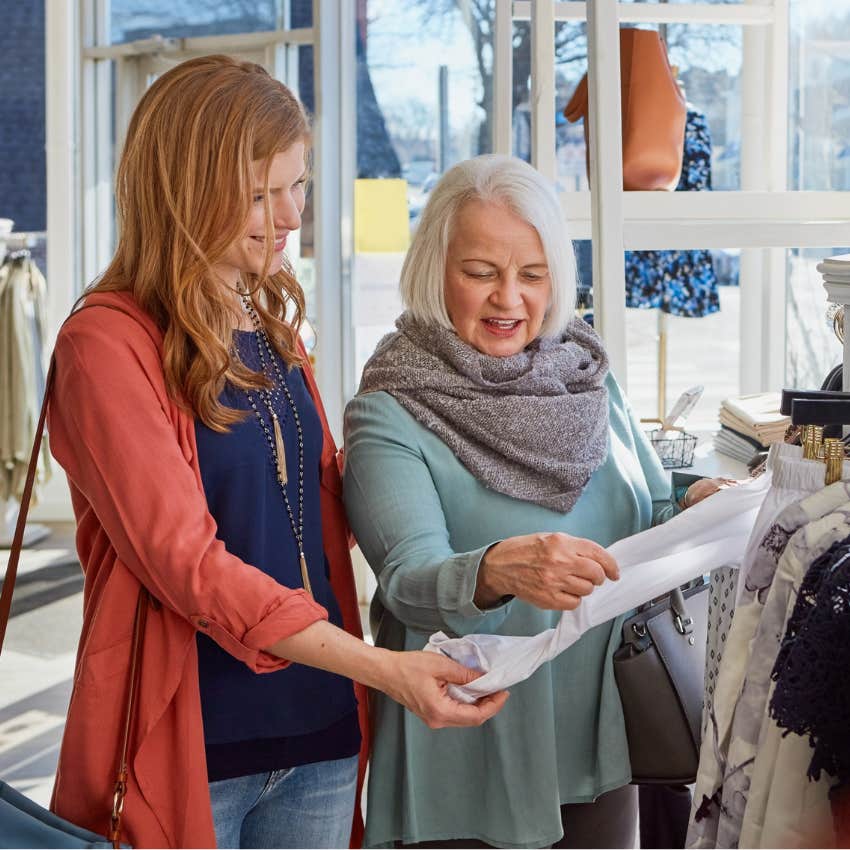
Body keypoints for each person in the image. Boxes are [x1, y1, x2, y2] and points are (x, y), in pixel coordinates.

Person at [46, 56, 507, 850]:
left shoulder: (270, 325)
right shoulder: (106, 346)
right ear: (183, 191)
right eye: (260, 194)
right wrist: (387, 672)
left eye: (296, 186)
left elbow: (321, 516)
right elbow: (186, 563)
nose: (289, 215)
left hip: (320, 730)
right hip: (193, 741)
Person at [343, 154, 727, 849]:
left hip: (603, 742)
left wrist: (695, 500)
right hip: (466, 753)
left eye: (531, 274)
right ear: (435, 270)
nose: (509, 300)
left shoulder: (584, 375)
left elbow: (639, 513)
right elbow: (407, 579)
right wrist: (494, 569)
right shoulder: (390, 409)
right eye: (481, 272)